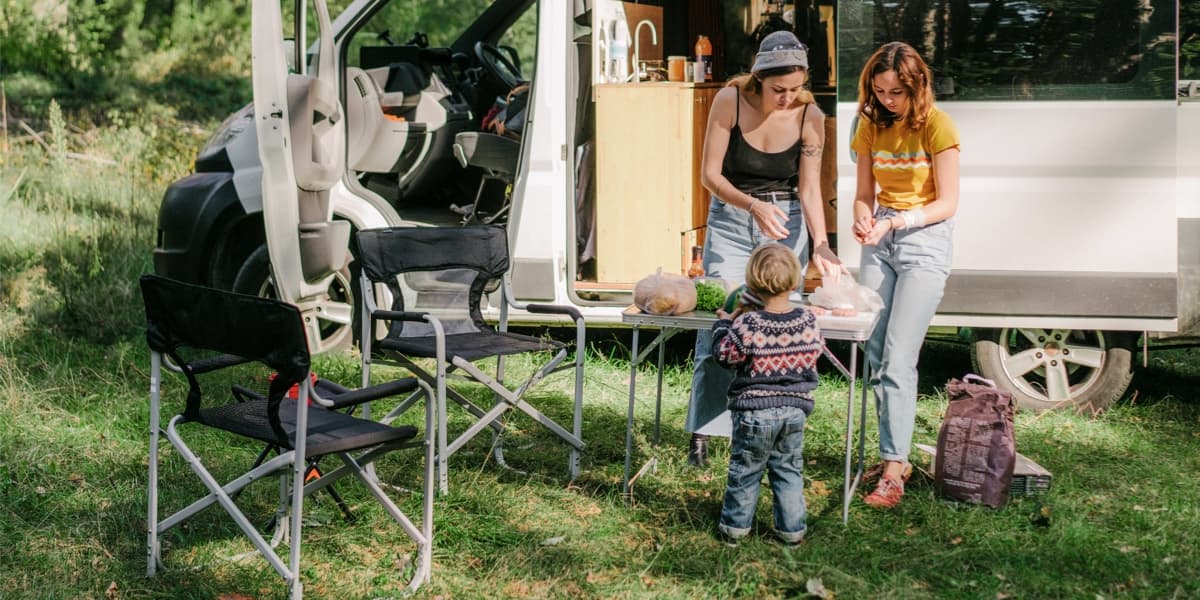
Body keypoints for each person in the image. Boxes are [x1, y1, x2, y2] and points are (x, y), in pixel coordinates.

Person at [685, 30, 843, 468]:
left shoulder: (810, 116)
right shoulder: (730, 101)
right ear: (758, 80)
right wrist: (752, 205)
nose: (788, 98)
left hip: (785, 222)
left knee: (775, 331)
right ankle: (704, 430)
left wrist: (822, 245)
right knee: (721, 324)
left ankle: (766, 428)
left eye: (795, 89)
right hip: (734, 220)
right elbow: (709, 175)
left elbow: (811, 189)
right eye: (779, 90)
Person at [850, 41, 961, 508]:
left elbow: (948, 202)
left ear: (916, 87)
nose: (888, 101)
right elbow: (862, 192)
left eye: (897, 92)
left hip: (924, 239)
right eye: (880, 91)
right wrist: (861, 217)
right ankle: (893, 453)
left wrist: (898, 221)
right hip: (882, 234)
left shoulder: (938, 125)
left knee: (898, 355)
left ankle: (894, 467)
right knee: (875, 350)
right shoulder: (870, 124)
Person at [711, 243, 822, 546]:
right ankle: (792, 530)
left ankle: (735, 529)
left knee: (746, 470)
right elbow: (814, 353)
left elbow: (724, 355)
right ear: (795, 280)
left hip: (754, 411)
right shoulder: (808, 320)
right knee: (787, 469)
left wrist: (723, 323)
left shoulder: (749, 323)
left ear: (753, 283)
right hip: (795, 410)